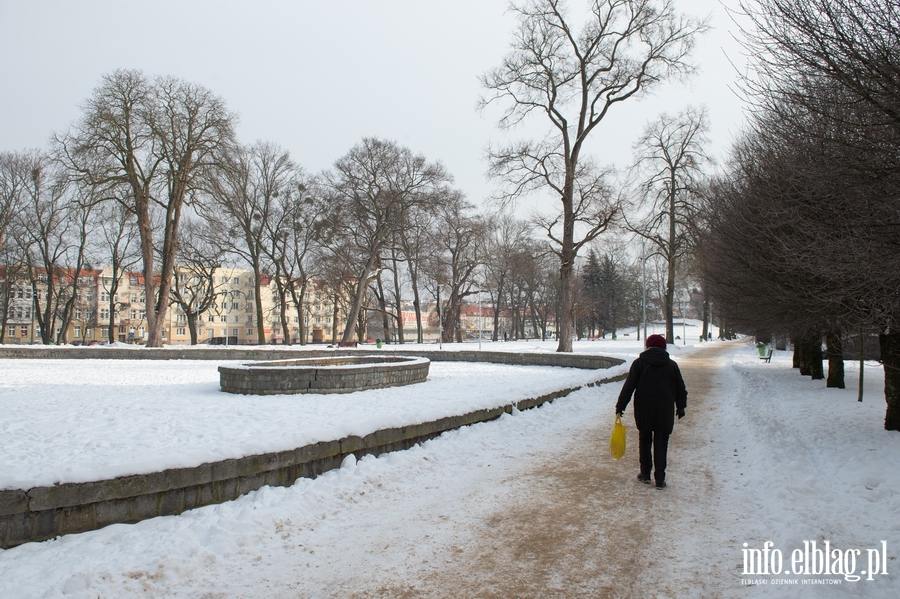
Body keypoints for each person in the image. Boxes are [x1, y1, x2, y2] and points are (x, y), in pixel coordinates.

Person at [615, 334, 688, 489]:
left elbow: (629, 386)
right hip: (665, 409)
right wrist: (681, 406)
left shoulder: (639, 364)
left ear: (647, 346)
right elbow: (680, 388)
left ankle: (645, 473)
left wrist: (620, 406)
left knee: (645, 439)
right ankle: (660, 478)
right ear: (663, 347)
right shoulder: (671, 365)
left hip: (644, 408)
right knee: (662, 441)